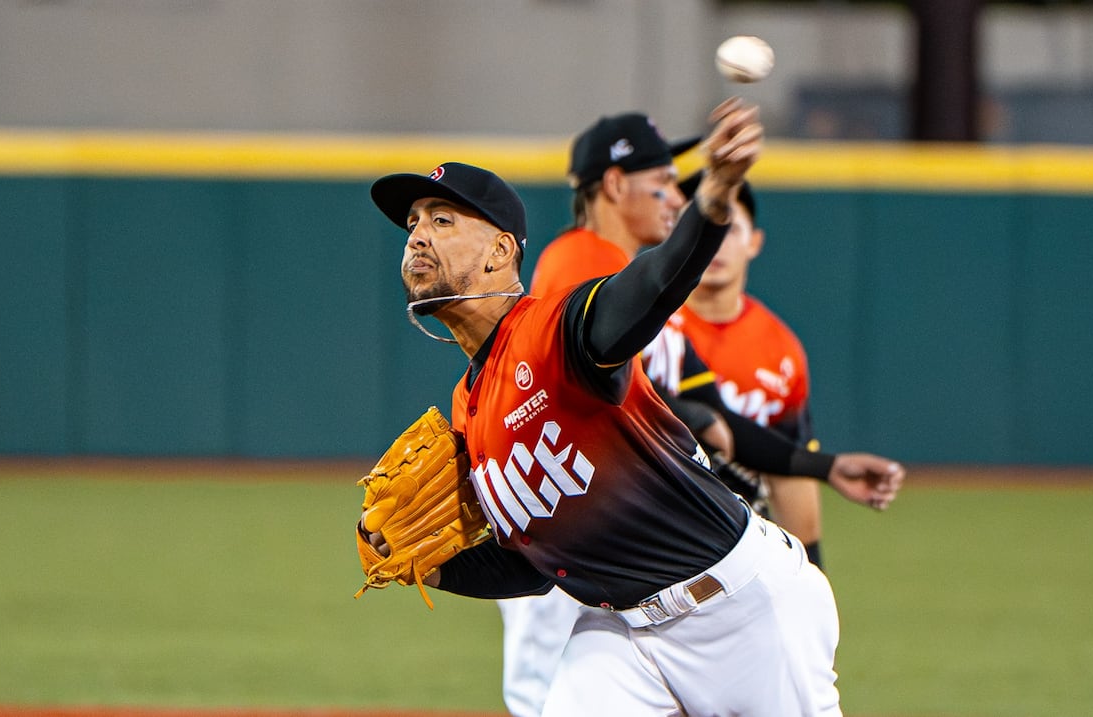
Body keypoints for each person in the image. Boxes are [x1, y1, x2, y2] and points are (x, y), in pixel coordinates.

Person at [367, 98, 904, 716]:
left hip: (743, 611)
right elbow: (535, 565)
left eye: (442, 220)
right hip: (623, 636)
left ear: (499, 252)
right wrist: (432, 567)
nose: (417, 236)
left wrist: (714, 200)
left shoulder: (555, 330)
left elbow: (651, 285)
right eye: (412, 223)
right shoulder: (470, 407)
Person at [675, 172, 828, 568]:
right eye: (702, 226)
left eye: (728, 228)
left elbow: (790, 473)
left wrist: (810, 570)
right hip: (653, 538)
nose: (715, 242)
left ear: (754, 242)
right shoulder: (651, 331)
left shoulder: (780, 348)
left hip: (740, 551)